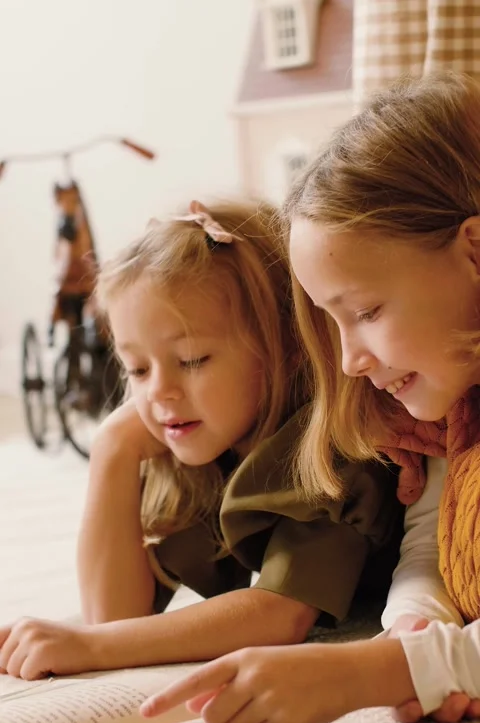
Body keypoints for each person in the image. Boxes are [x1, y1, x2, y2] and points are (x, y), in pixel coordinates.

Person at [138, 73, 480, 723]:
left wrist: (374, 673)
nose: (349, 359)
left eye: (367, 312)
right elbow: (430, 551)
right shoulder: (449, 418)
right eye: (332, 323)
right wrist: (414, 626)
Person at [0, 199, 407, 680]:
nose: (159, 392)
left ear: (288, 347)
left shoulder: (331, 448)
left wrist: (92, 647)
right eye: (137, 369)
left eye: (191, 359)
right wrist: (112, 449)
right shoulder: (208, 446)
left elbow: (278, 615)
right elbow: (114, 617)